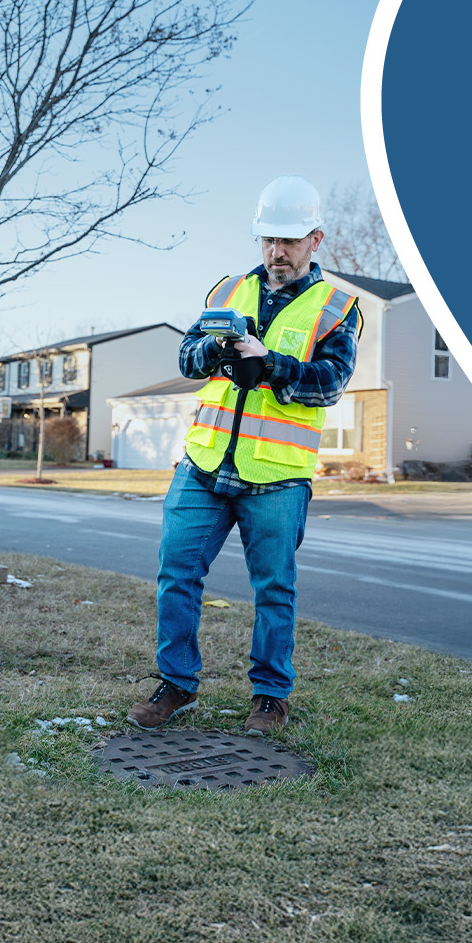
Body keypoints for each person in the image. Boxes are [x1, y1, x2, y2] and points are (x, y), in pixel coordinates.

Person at [130, 175, 362, 735]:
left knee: (274, 589)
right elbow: (187, 358)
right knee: (176, 574)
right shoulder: (227, 291)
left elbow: (330, 383)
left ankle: (269, 696)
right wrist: (213, 349)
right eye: (267, 241)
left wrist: (273, 364)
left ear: (315, 240)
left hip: (277, 476)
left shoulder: (338, 307)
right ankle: (177, 684)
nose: (275, 253)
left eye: (287, 242)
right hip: (204, 464)